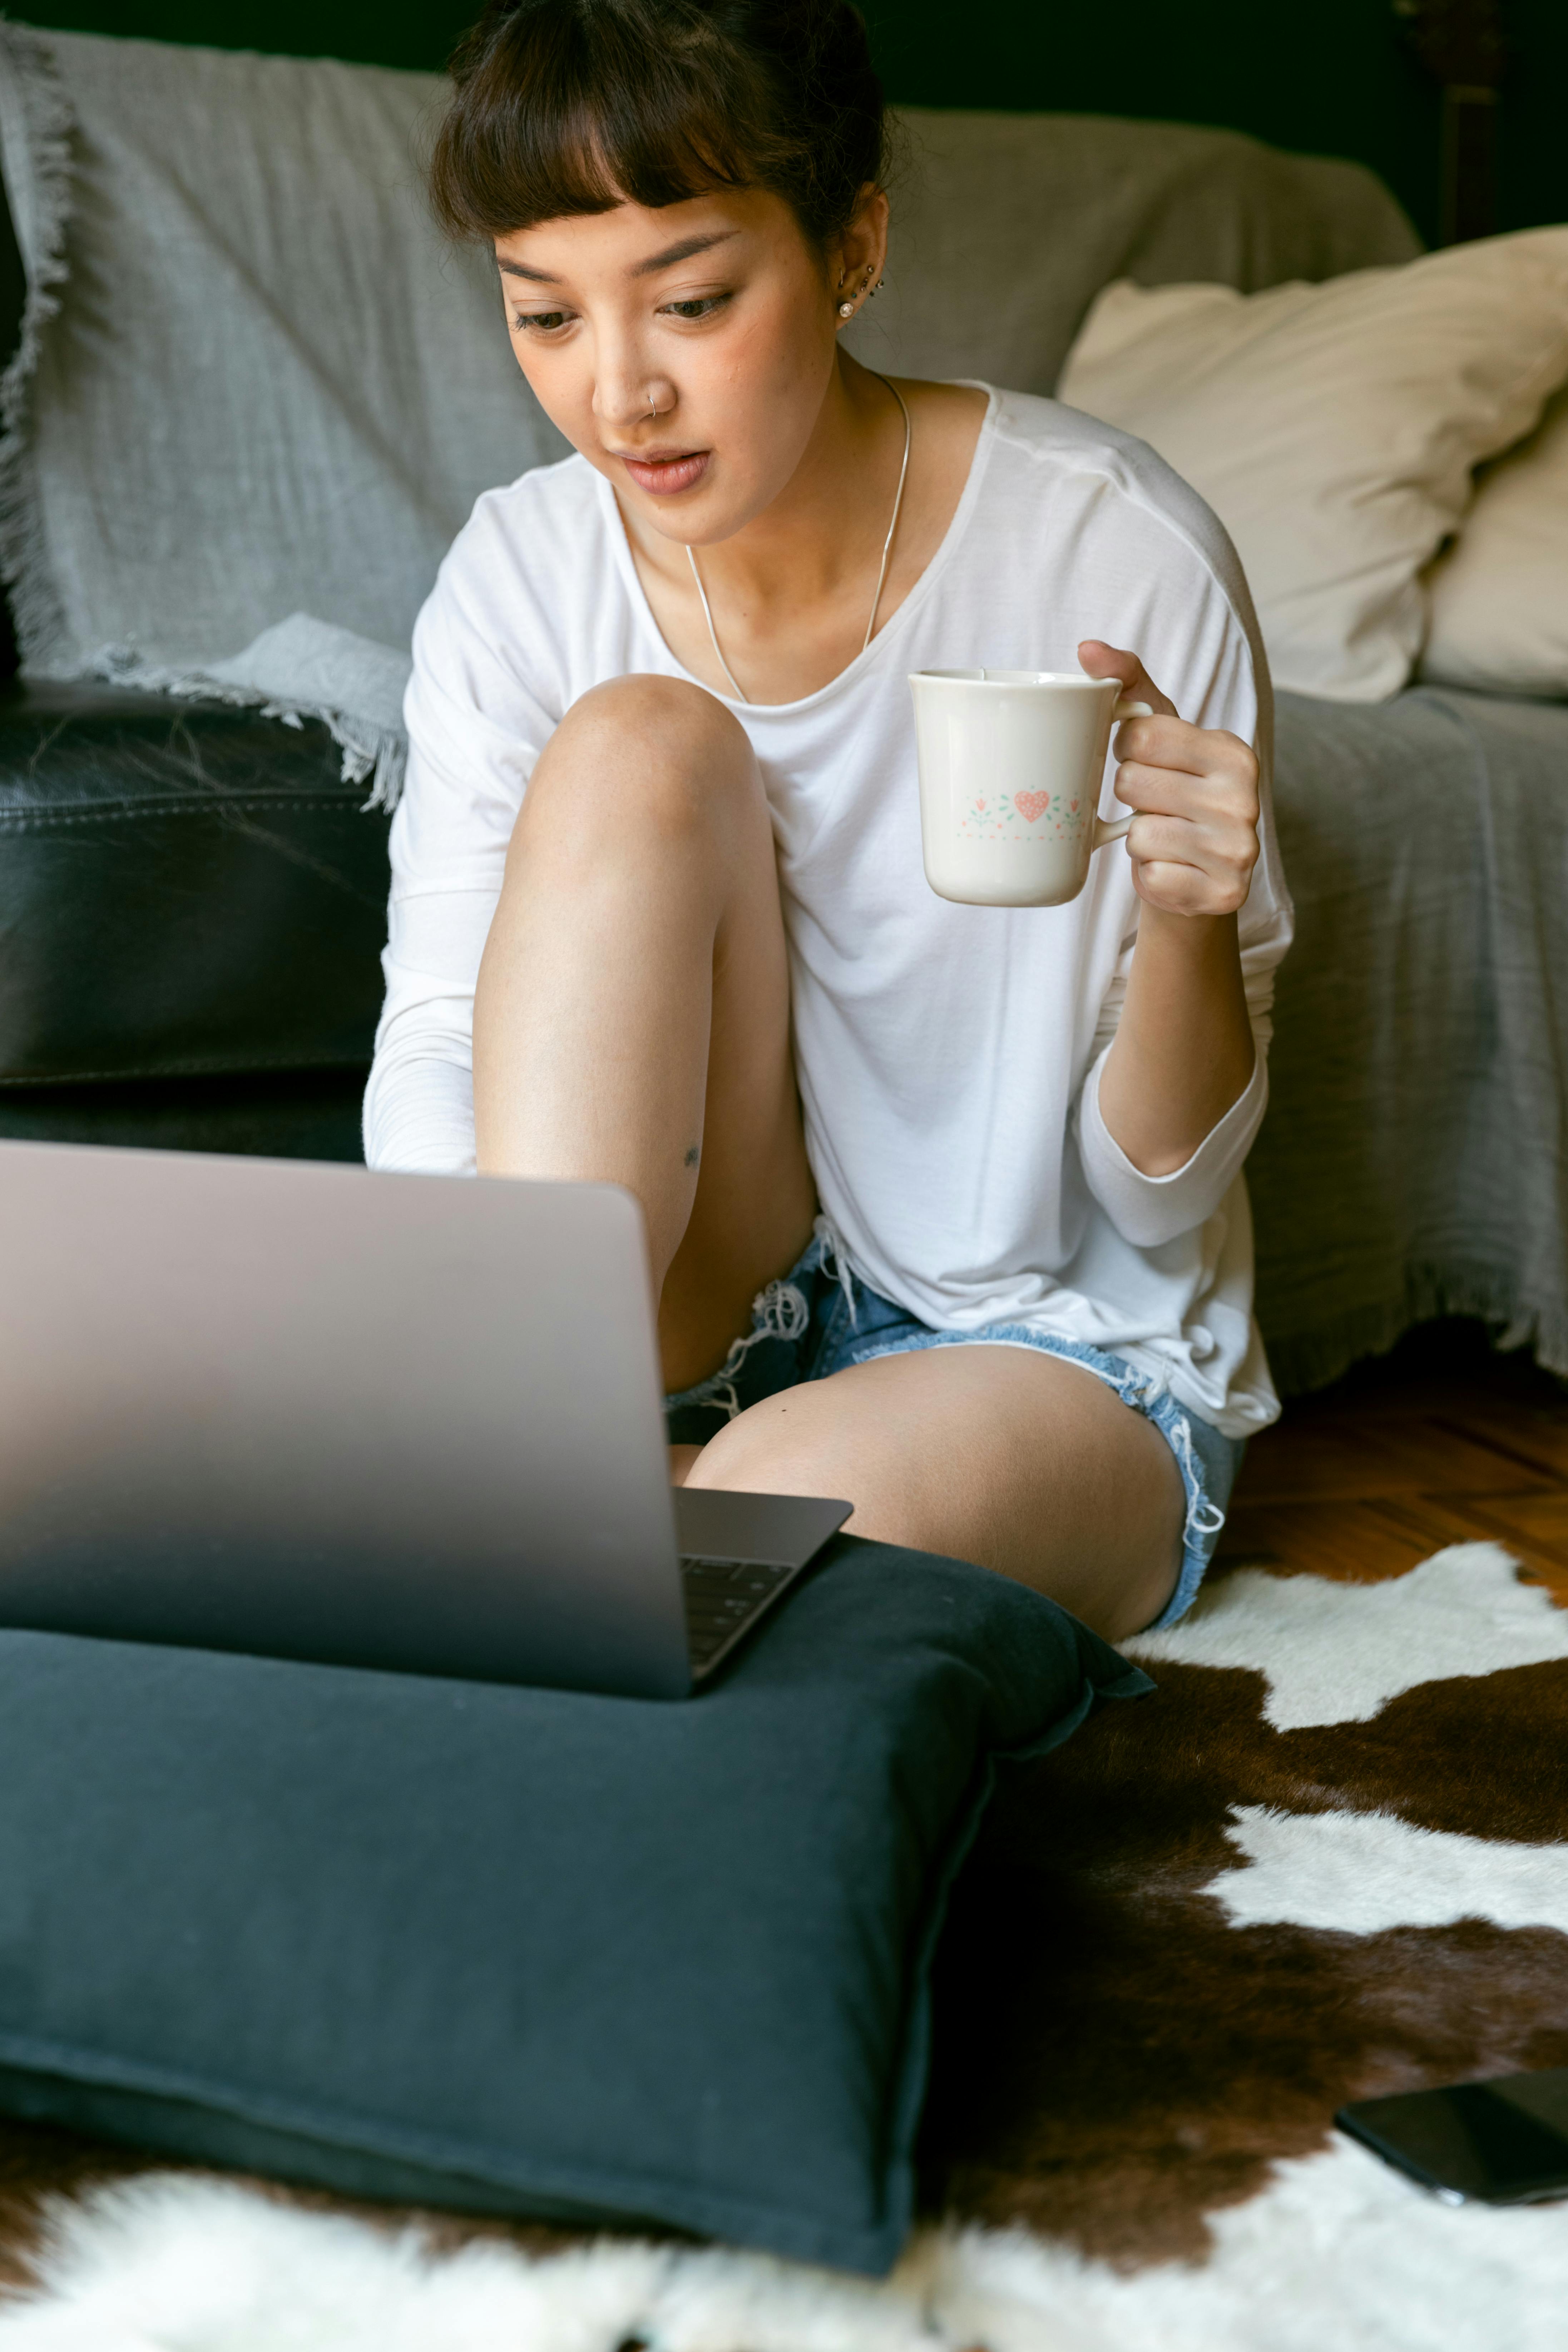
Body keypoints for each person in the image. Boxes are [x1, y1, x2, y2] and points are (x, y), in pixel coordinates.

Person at [364, 0, 1294, 1642]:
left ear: (852, 244)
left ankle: (525, 1532)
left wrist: (1189, 919)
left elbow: (1152, 1203)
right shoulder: (522, 573)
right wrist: (461, 1375)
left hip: (1043, 1338)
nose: (618, 395)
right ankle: (525, 1467)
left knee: (726, 1540)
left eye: (694, 300)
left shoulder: (1116, 552)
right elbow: (442, 1037)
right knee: (635, 741)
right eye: (544, 317)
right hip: (680, 1316)